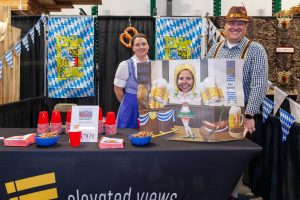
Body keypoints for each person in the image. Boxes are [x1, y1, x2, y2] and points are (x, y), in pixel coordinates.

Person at [206, 6, 268, 200]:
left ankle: (230, 195)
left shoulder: (256, 50)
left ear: (246, 26)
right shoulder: (215, 48)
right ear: (224, 25)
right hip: (216, 110)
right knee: (215, 156)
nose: (235, 27)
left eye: (240, 23)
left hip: (240, 113)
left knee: (234, 159)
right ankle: (217, 192)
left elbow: (259, 84)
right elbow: (206, 77)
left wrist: (250, 115)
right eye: (231, 23)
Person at [114, 33, 150, 128]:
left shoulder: (154, 65)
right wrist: (128, 103)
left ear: (148, 46)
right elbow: (118, 90)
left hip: (150, 107)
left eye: (144, 44)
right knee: (128, 135)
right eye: (137, 45)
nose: (141, 47)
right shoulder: (125, 65)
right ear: (133, 48)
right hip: (131, 106)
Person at [174, 64, 197, 138]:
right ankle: (188, 134)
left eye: (188, 78)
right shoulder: (178, 94)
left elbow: (193, 99)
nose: (184, 81)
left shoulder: (193, 94)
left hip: (186, 111)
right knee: (185, 124)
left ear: (194, 80)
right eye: (181, 78)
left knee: (186, 124)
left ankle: (191, 134)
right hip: (182, 111)